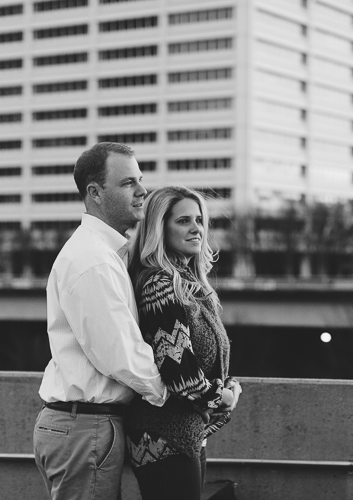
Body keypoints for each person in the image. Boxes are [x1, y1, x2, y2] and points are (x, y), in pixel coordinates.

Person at [33, 142, 168, 500]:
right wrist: (174, 396)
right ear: (94, 192)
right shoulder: (92, 259)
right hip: (85, 426)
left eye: (141, 180)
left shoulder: (101, 252)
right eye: (128, 183)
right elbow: (118, 352)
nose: (142, 191)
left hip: (81, 425)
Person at [125, 186, 242, 500]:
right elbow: (179, 372)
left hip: (184, 435)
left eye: (200, 220)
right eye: (183, 221)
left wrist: (228, 384)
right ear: (159, 229)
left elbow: (203, 362)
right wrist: (224, 396)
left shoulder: (189, 287)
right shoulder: (160, 285)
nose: (197, 228)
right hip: (162, 439)